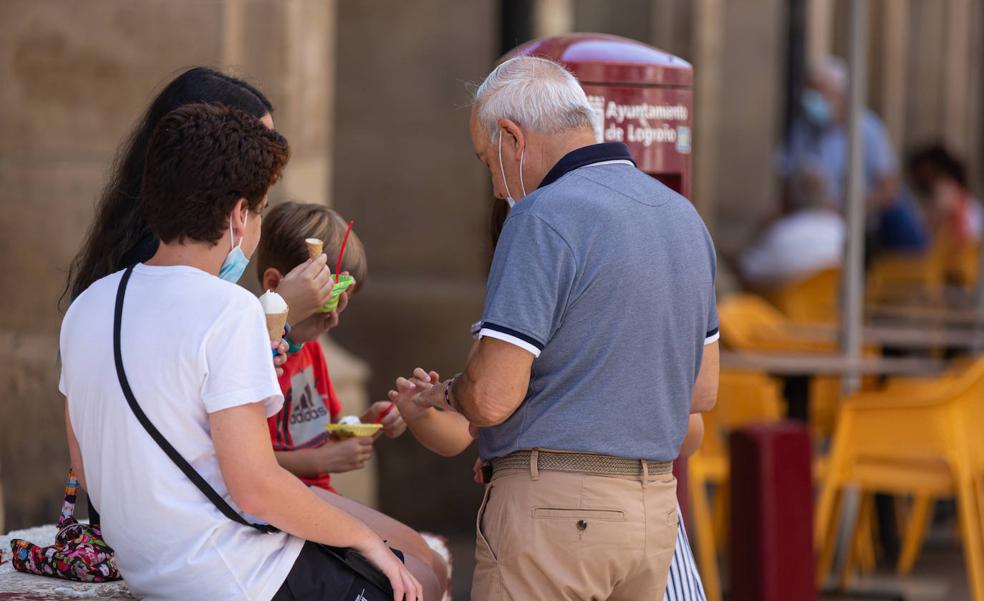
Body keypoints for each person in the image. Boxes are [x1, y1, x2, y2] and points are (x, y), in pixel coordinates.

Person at [60, 104, 423, 600]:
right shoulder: (231, 310)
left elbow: (83, 468)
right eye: (261, 209)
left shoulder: (88, 304)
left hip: (147, 568)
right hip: (235, 573)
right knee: (416, 577)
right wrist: (365, 540)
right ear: (237, 215)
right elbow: (256, 487)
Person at [390, 56, 720, 600]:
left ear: (513, 139)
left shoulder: (541, 215)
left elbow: (491, 398)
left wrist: (447, 393)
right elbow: (701, 392)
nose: (497, 187)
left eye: (487, 160)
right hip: (654, 515)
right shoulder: (683, 216)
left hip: (556, 518)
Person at [254, 202, 449, 595]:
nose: (336, 319)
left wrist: (365, 423)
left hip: (318, 495)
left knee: (433, 561)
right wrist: (319, 460)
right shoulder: (259, 357)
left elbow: (319, 430)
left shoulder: (312, 352)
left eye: (345, 304)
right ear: (277, 286)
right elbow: (244, 460)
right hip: (283, 506)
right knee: (418, 578)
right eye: (329, 302)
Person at [64, 66, 337, 345]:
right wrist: (281, 314)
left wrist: (287, 333)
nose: (266, 166)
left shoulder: (102, 294)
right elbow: (190, 372)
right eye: (256, 149)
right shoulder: (152, 280)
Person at [782, 56, 926, 253]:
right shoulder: (802, 131)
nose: (810, 99)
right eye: (808, 91)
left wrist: (848, 207)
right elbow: (786, 182)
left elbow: (889, 189)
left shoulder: (868, 130)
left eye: (818, 92)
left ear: (840, 96)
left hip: (861, 227)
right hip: (813, 223)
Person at [737, 165, 845, 287]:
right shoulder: (840, 229)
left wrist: (759, 229)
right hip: (831, 305)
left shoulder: (782, 232)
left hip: (782, 305)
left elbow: (748, 269)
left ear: (788, 196)